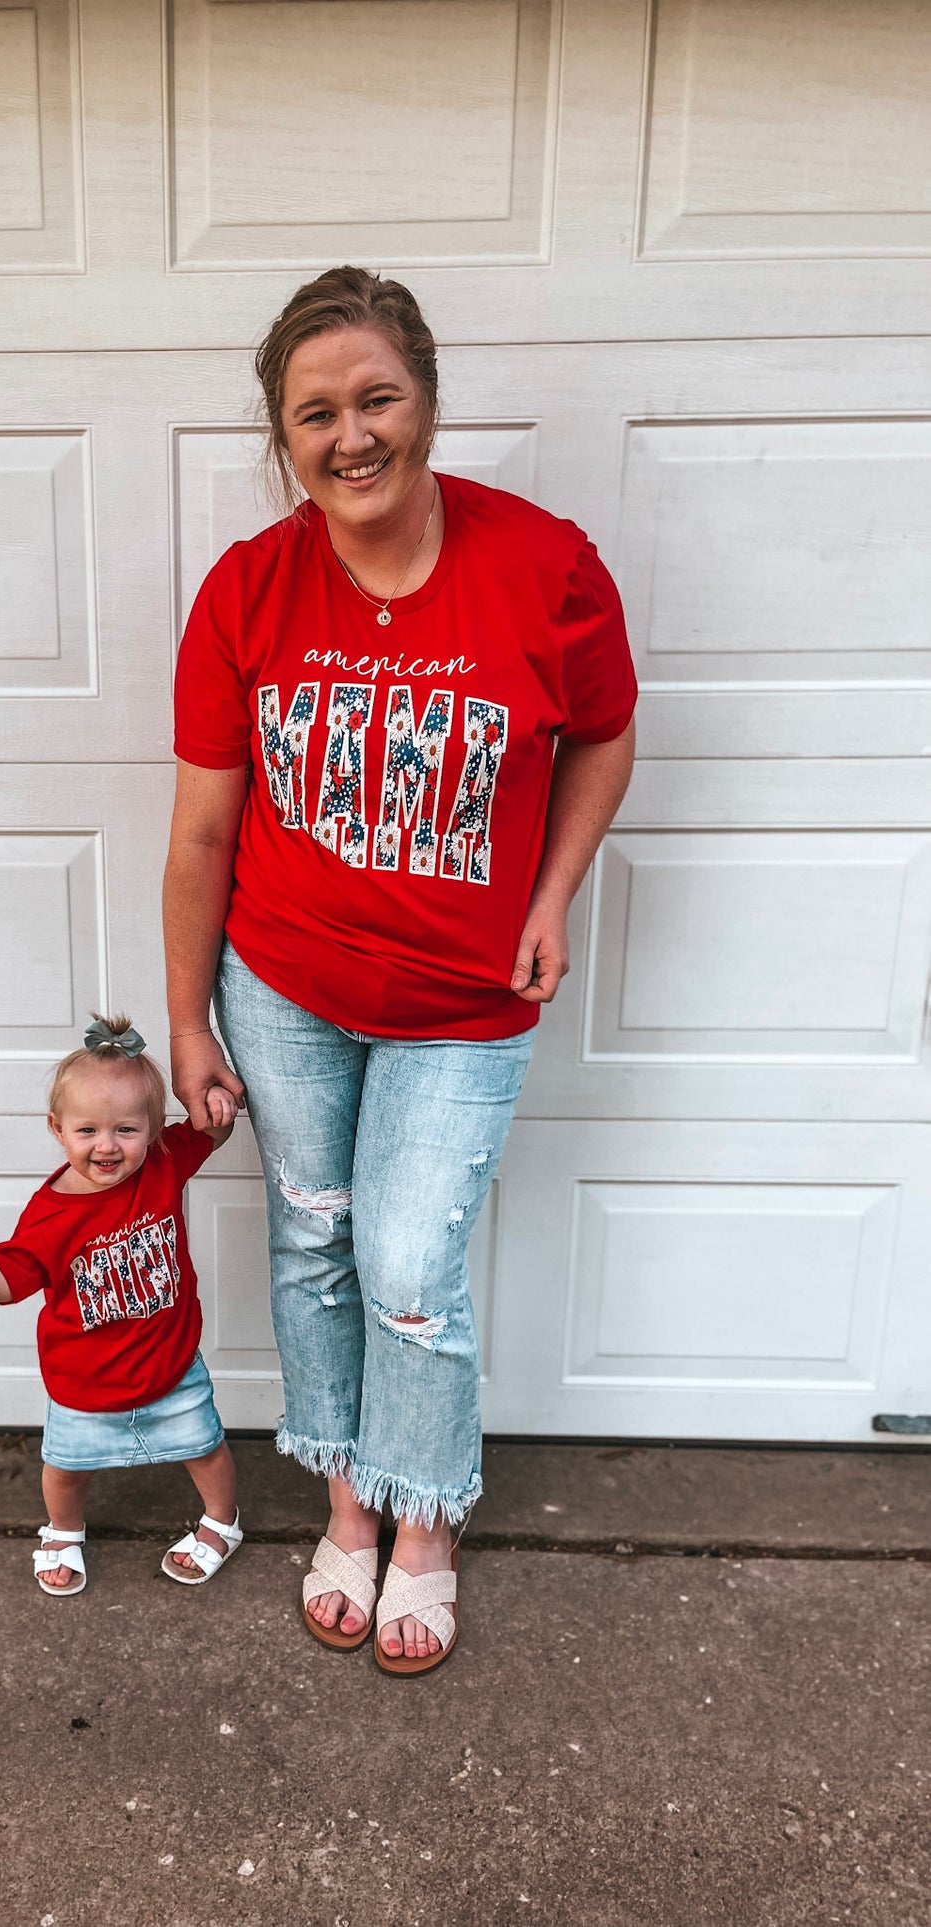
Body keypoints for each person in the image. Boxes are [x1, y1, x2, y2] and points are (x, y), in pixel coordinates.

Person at [163, 265, 637, 1675]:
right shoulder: (248, 588)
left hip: (464, 1002)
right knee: (312, 1240)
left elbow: (604, 733)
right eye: (316, 412)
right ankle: (350, 1502)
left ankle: (426, 1521)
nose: (350, 435)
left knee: (409, 1258)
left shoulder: (543, 563)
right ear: (283, 435)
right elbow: (201, 826)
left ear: (426, 400)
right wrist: (186, 1016)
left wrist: (552, 888)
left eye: (376, 398)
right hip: (286, 987)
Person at [0, 1015, 242, 1596]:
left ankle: (223, 1522)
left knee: (207, 1449)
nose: (107, 1146)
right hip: (82, 1378)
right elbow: (10, 1278)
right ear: (57, 1129)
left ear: (154, 1130)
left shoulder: (163, 1162)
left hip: (171, 1363)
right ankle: (63, 1530)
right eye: (87, 1130)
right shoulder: (50, 1214)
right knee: (64, 1469)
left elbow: (213, 1131)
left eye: (126, 1130)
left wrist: (218, 1101)